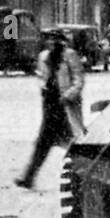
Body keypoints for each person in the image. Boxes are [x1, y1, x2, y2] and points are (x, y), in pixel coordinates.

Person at [15, 29, 85, 189]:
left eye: (55, 41)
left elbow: (79, 80)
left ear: (61, 42)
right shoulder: (44, 57)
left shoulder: (70, 56)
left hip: (65, 107)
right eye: (50, 40)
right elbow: (40, 76)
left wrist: (68, 95)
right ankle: (28, 177)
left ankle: (81, 180)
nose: (52, 43)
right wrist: (43, 88)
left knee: (74, 146)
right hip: (50, 106)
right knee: (43, 143)